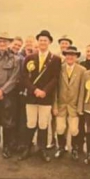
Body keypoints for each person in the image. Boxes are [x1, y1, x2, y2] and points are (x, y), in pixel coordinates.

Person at [20, 29, 60, 162]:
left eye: (45, 40)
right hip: (31, 96)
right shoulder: (29, 58)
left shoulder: (55, 59)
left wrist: (45, 91)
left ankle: (42, 149)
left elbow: (55, 78)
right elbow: (24, 77)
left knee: (43, 124)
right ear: (38, 42)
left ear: (49, 42)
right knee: (30, 123)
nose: (43, 42)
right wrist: (34, 90)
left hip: (45, 97)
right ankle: (27, 147)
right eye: (41, 40)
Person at [53, 46, 86, 162]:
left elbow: (82, 90)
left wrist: (80, 107)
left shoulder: (82, 70)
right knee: (60, 128)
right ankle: (61, 148)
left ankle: (75, 149)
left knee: (74, 129)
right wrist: (55, 106)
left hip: (74, 106)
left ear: (76, 57)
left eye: (73, 55)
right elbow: (55, 89)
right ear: (65, 56)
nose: (70, 57)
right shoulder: (59, 68)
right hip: (61, 105)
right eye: (67, 54)